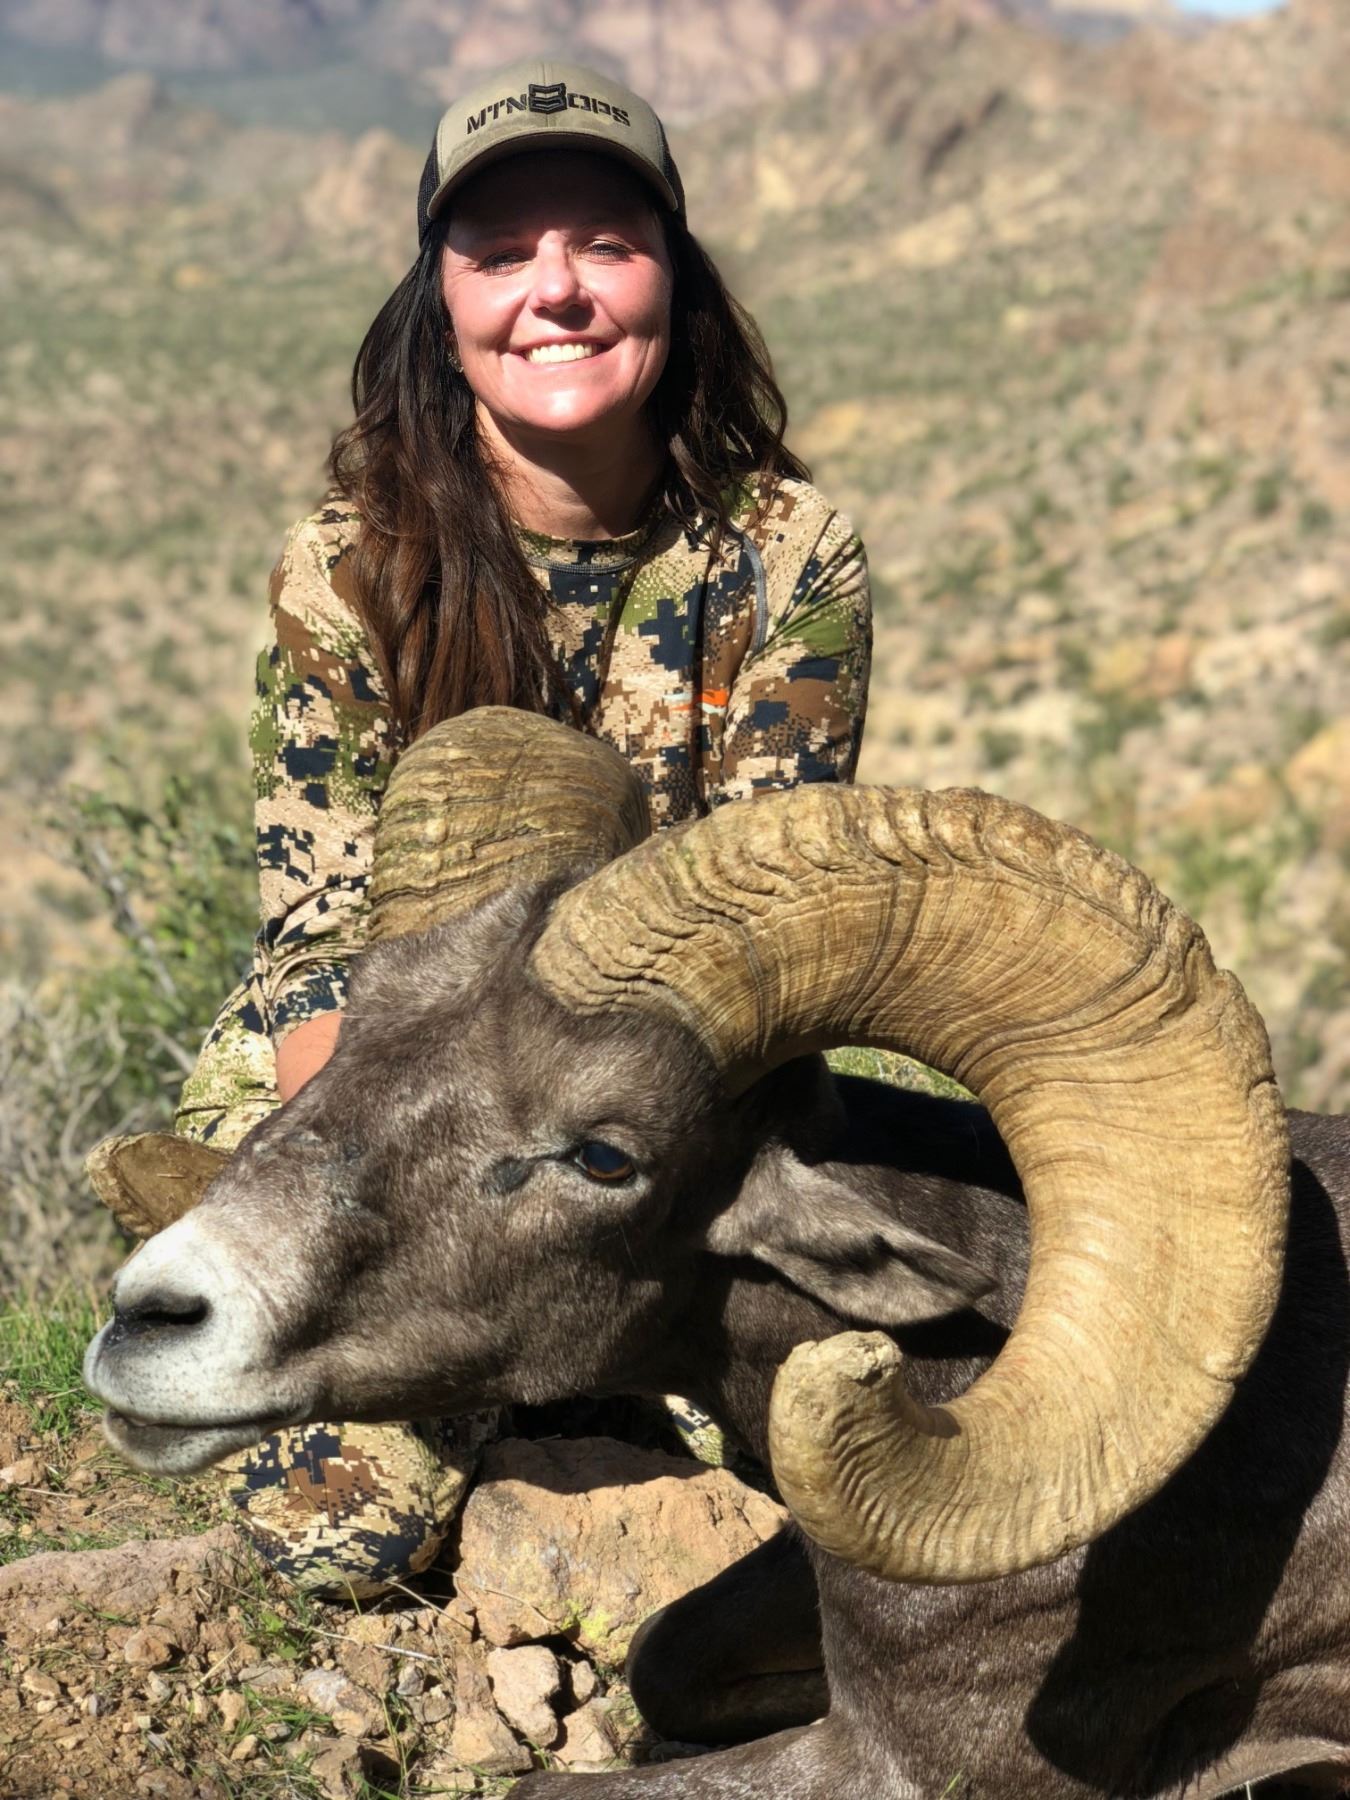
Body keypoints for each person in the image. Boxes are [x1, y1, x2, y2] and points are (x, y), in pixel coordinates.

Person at [169, 56, 872, 1597]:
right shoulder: (353, 566)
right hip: (384, 1066)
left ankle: (582, 1384)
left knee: (852, 1461)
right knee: (341, 1523)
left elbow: (774, 916)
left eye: (605, 243)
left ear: (673, 276)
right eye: (498, 254)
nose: (555, 290)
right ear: (440, 302)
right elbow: (319, 936)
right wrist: (364, 1194)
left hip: (648, 1088)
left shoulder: (783, 554)